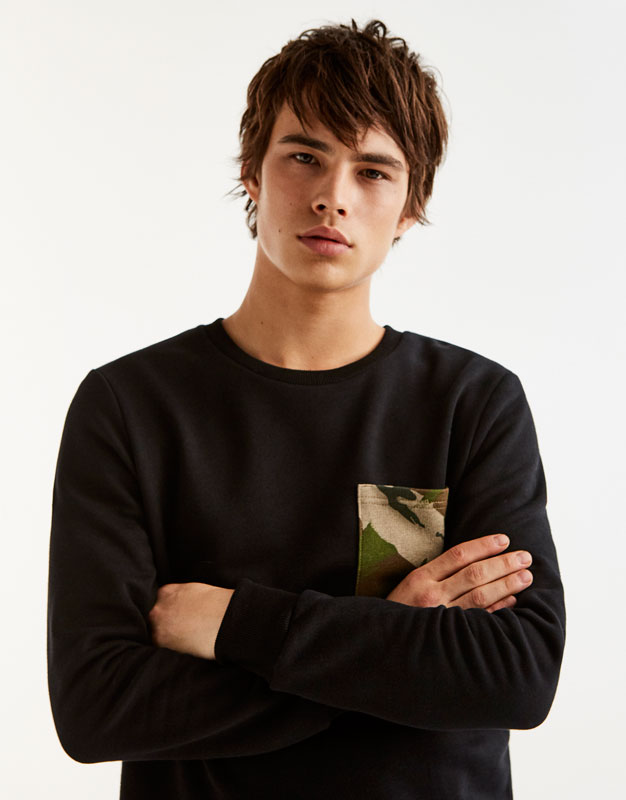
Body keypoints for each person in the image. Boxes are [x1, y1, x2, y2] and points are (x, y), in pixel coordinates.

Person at [47, 18, 565, 799]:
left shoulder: (472, 402)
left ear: (413, 203)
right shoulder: (130, 407)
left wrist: (235, 626)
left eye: (374, 171)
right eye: (304, 157)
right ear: (252, 173)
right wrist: (392, 645)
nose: (333, 197)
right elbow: (98, 706)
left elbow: (517, 676)